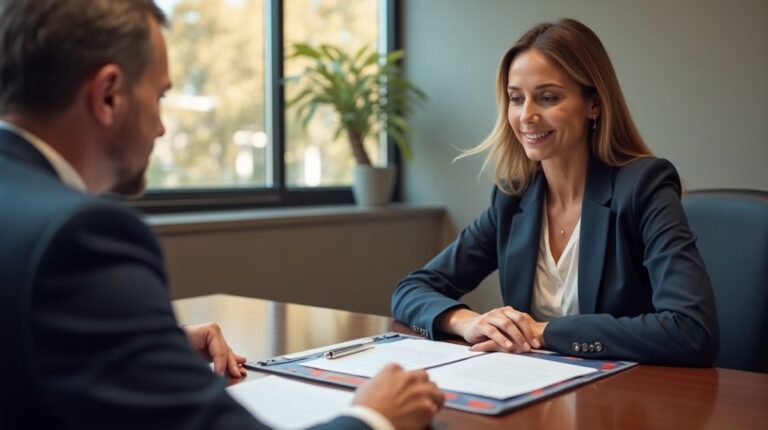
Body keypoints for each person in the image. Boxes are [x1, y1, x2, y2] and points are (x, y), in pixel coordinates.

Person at [0, 1, 443, 429]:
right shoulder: (79, 237)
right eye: (159, 95)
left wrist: (149, 343)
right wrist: (372, 417)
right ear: (109, 96)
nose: (161, 127)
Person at [391, 18, 719, 366]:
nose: (526, 115)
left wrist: (541, 332)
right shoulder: (513, 197)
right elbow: (411, 290)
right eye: (516, 99)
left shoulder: (643, 187)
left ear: (593, 104)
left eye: (548, 98)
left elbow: (691, 330)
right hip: (535, 392)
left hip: (624, 402)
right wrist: (470, 322)